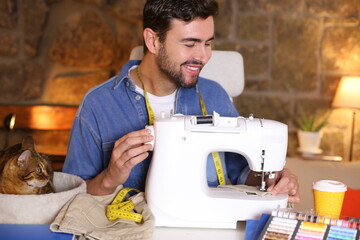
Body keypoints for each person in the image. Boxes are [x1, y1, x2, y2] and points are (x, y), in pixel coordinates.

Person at [63, 0, 300, 203]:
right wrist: (109, 178)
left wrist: (273, 178)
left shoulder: (214, 96)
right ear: (153, 41)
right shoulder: (99, 105)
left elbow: (243, 173)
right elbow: (71, 198)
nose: (204, 56)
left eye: (207, 43)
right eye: (190, 44)